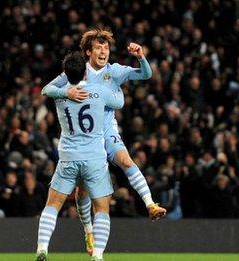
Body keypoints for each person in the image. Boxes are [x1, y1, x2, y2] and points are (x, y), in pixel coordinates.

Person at [42, 28, 166, 256]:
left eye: (106, 47)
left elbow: (146, 74)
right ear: (88, 51)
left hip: (107, 131)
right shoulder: (77, 72)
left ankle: (150, 204)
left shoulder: (115, 71)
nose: (103, 51)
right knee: (82, 191)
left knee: (126, 160)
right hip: (87, 138)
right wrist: (67, 93)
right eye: (98, 47)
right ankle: (88, 231)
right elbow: (48, 89)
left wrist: (141, 57)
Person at [36, 51, 124, 261]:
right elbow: (119, 103)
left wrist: (65, 92)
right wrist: (116, 85)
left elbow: (46, 90)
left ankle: (42, 248)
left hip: (68, 156)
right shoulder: (100, 91)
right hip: (94, 159)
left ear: (65, 73)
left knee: (53, 205)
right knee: (102, 209)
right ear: (85, 71)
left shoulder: (60, 94)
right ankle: (98, 256)